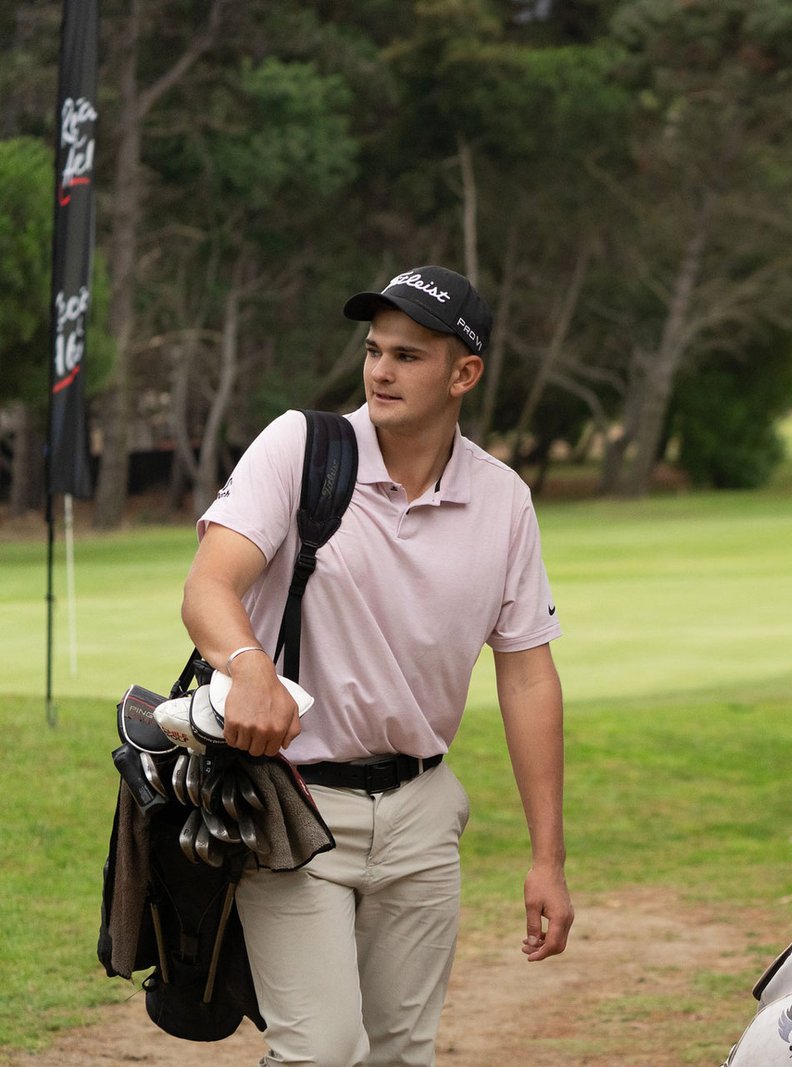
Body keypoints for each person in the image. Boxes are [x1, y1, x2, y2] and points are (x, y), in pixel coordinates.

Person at [181, 265, 574, 1067]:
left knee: (400, 1052)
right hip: (292, 804)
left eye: (408, 355)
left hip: (424, 813)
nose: (381, 371)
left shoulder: (503, 501)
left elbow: (527, 674)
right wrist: (247, 664)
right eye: (373, 350)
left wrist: (548, 858)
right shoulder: (301, 446)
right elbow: (208, 584)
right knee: (321, 1050)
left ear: (465, 373)